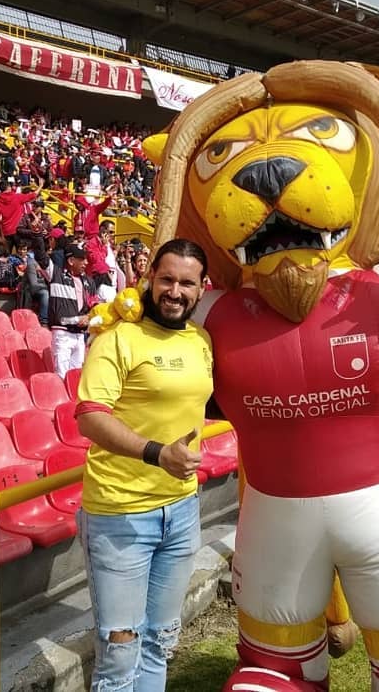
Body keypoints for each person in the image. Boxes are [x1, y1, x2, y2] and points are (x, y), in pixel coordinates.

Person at [74, 238, 213, 692]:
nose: (175, 291)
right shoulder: (118, 337)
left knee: (158, 641)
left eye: (186, 283)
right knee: (119, 654)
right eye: (167, 279)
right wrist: (158, 453)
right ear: (150, 278)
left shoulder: (202, 340)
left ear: (201, 288)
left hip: (182, 510)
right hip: (120, 516)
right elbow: (90, 417)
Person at [36, 242, 98, 377]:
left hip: (80, 335)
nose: (86, 262)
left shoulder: (89, 282)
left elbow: (95, 307)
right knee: (62, 376)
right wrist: (37, 234)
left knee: (76, 376)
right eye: (82, 259)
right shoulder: (55, 274)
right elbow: (40, 256)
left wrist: (89, 317)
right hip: (62, 334)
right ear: (71, 260)